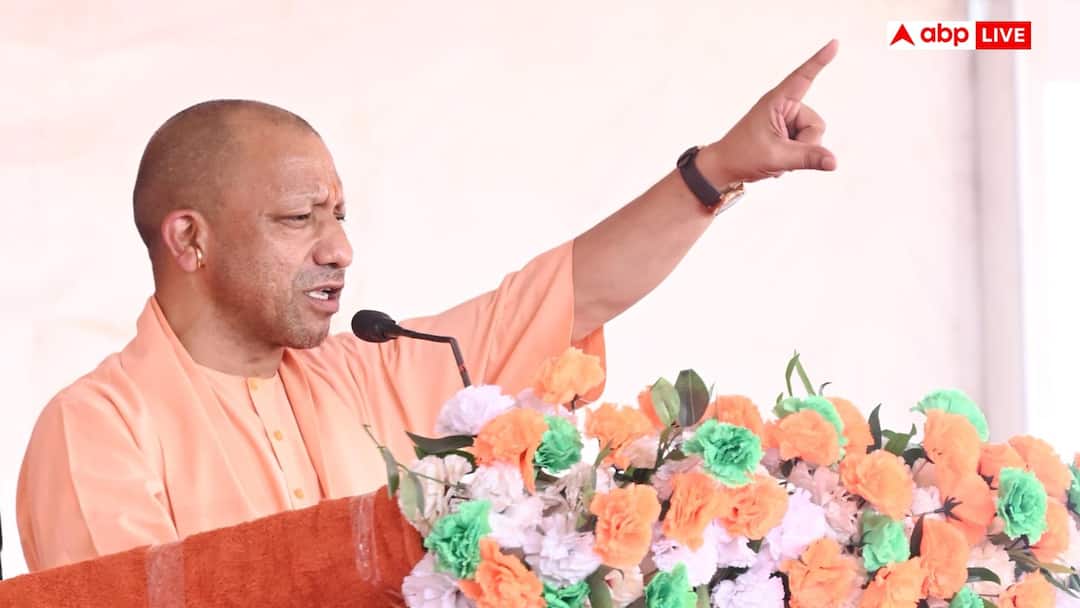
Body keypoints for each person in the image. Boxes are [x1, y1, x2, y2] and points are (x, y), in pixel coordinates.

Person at [16, 40, 839, 572]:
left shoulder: (364, 370)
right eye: (299, 218)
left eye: (340, 216)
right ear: (190, 240)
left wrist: (717, 170)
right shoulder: (98, 428)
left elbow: (565, 294)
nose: (339, 248)